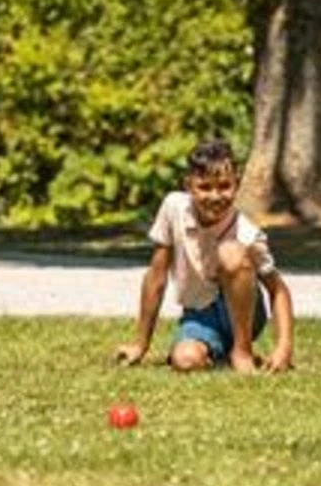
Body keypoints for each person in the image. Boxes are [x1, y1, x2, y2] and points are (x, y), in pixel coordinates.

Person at [114, 139, 294, 374]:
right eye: (205, 187)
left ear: (237, 184)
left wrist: (284, 348)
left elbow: (278, 290)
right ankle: (219, 352)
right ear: (188, 185)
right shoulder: (173, 208)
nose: (215, 196)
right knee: (185, 361)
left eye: (224, 186)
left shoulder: (248, 233)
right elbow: (156, 277)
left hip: (246, 311)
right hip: (200, 314)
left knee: (231, 252)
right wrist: (140, 345)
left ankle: (242, 351)